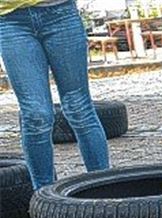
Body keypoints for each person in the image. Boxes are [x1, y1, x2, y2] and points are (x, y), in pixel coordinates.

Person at [0, 0, 110, 189]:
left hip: (61, 14)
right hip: (10, 20)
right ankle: (44, 199)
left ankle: (104, 190)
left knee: (79, 108)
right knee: (36, 115)